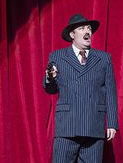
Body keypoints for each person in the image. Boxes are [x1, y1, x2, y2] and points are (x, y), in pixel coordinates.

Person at [43, 14, 118, 163]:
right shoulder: (57, 56)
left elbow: (110, 91)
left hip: (93, 126)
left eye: (89, 28)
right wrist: (50, 78)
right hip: (67, 127)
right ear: (72, 34)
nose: (87, 32)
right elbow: (50, 89)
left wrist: (112, 123)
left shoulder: (103, 58)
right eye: (82, 28)